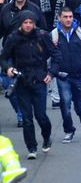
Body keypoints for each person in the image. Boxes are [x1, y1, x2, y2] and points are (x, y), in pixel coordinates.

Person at [1, 10, 60, 160]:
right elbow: (3, 57)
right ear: (21, 23)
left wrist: (51, 73)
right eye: (25, 23)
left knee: (41, 115)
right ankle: (31, 147)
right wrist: (8, 68)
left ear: (34, 23)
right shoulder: (13, 38)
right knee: (27, 118)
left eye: (31, 23)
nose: (28, 26)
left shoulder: (42, 35)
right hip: (21, 80)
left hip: (39, 79)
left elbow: (56, 54)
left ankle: (46, 137)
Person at [51, 6, 81, 143]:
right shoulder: (53, 35)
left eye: (70, 17)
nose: (68, 19)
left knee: (79, 104)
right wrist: (50, 73)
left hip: (79, 75)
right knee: (65, 103)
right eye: (65, 17)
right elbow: (47, 56)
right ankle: (69, 130)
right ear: (59, 18)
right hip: (62, 76)